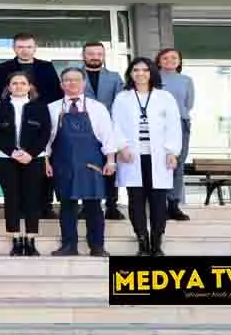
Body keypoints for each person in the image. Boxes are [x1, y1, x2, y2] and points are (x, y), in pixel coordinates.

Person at [45, 67, 120, 257]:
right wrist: (46, 161)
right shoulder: (52, 108)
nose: (72, 83)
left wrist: (111, 161)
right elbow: (46, 139)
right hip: (62, 163)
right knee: (67, 206)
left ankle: (97, 246)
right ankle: (69, 246)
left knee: (93, 206)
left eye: (76, 80)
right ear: (61, 84)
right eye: (67, 80)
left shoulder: (98, 107)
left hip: (91, 163)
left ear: (84, 83)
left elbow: (108, 135)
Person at [113, 58, 182, 257]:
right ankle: (142, 242)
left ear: (152, 72)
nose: (140, 74)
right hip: (132, 156)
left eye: (145, 70)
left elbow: (174, 126)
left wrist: (172, 151)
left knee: (158, 202)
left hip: (159, 156)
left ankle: (156, 243)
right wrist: (122, 147)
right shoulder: (122, 98)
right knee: (136, 201)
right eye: (136, 70)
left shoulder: (165, 97)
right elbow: (115, 124)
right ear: (130, 73)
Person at [0, 33, 62, 220]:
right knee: (15, 180)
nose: (24, 50)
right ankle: (19, 210)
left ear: (35, 48)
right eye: (20, 46)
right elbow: (1, 92)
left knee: (43, 164)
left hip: (40, 118)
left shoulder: (46, 66)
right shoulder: (4, 67)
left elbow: (55, 93)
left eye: (28, 47)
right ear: (14, 48)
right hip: (14, 118)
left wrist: (41, 113)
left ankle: (46, 205)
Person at [0, 72, 51, 257]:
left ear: (29, 86)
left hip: (34, 159)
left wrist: (30, 154)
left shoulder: (40, 107)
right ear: (8, 87)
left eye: (23, 83)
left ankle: (30, 240)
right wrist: (12, 152)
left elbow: (45, 133)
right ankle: (16, 240)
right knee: (12, 198)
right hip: (5, 158)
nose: (18, 86)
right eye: (14, 83)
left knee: (32, 198)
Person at [82, 42, 126, 220]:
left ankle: (111, 206)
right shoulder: (76, 75)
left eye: (99, 54)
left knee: (110, 169)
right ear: (83, 55)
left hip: (108, 128)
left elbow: (120, 103)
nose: (95, 57)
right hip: (83, 130)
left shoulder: (114, 77)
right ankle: (87, 206)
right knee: (86, 169)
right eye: (91, 53)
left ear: (103, 55)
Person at [156, 47, 194, 221]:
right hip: (158, 125)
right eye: (165, 58)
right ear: (158, 61)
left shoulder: (186, 80)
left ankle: (173, 204)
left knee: (177, 165)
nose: (169, 61)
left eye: (173, 58)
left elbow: (189, 104)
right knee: (159, 164)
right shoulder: (153, 78)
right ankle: (159, 205)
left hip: (180, 123)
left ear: (179, 61)